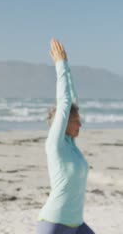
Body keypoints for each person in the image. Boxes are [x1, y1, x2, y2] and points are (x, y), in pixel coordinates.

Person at [37, 39, 94, 234]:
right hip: (54, 224)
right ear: (63, 123)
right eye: (76, 120)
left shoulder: (71, 145)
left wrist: (68, 68)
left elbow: (73, 101)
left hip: (76, 225)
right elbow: (65, 102)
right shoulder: (56, 144)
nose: (80, 124)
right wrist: (61, 65)